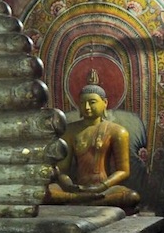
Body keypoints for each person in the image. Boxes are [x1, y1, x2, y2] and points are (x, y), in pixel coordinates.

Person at [44, 69, 141, 211]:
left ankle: (81, 201)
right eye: (82, 103)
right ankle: (82, 199)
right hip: (77, 187)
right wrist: (69, 186)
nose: (87, 107)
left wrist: (102, 186)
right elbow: (62, 169)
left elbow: (123, 171)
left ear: (105, 103)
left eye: (92, 102)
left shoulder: (117, 131)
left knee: (132, 196)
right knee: (42, 194)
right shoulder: (69, 131)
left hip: (104, 188)